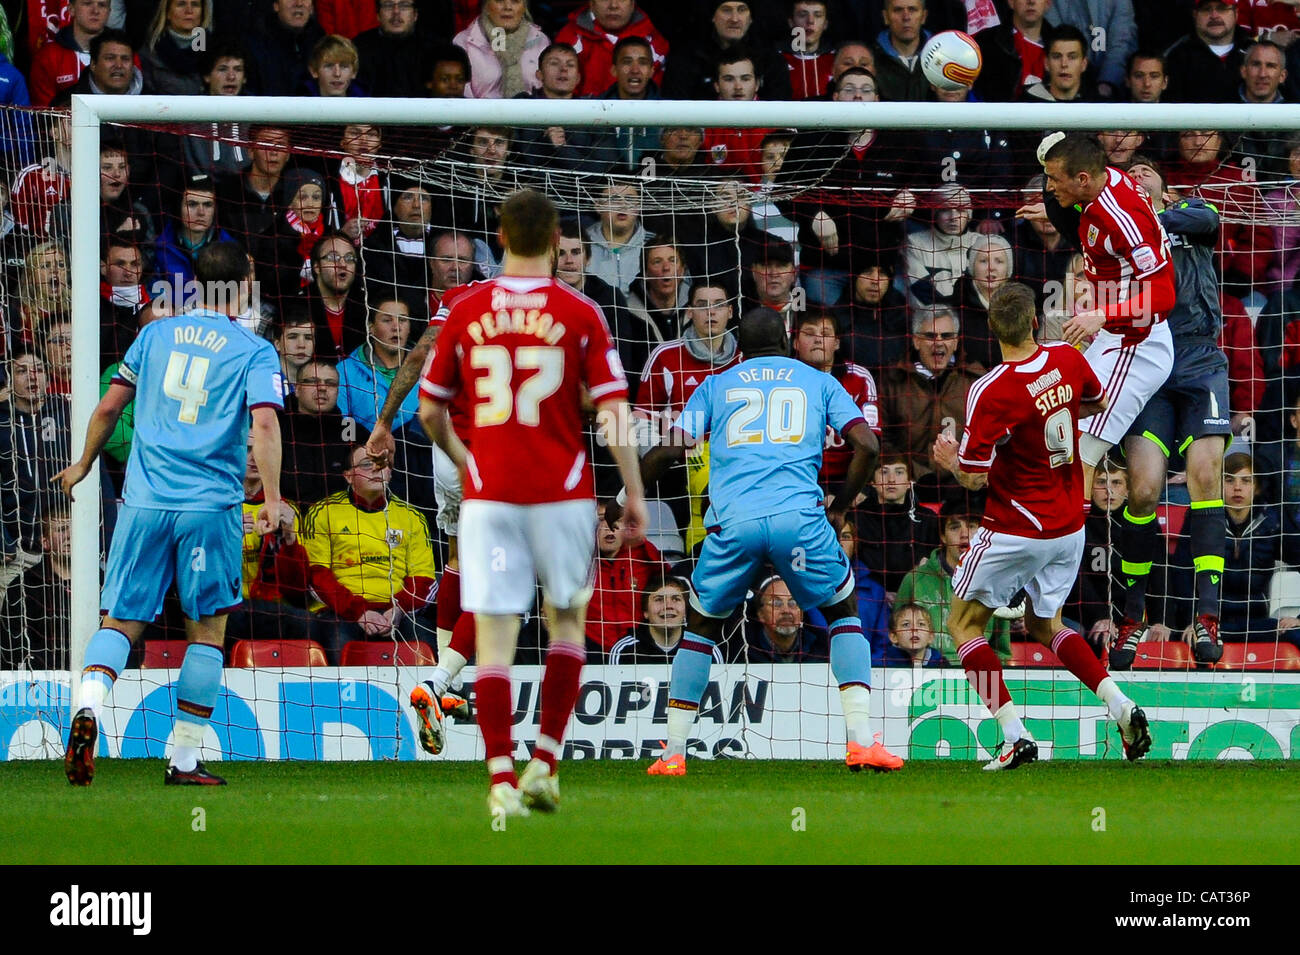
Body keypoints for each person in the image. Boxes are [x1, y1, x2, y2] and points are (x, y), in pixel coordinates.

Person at [417, 189, 648, 818]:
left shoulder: (466, 309)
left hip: (489, 499)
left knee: (495, 640)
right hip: (564, 495)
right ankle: (544, 762)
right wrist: (633, 490)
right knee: (565, 625)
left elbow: (429, 409)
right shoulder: (580, 311)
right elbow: (614, 409)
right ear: (553, 239)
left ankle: (499, 781)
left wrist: (465, 459)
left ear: (499, 234)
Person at [631, 308, 902, 776]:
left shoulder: (715, 384)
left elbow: (673, 449)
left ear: (740, 348)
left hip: (733, 524)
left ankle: (674, 751)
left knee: (702, 626)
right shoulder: (819, 381)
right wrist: (838, 506)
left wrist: (622, 498)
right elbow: (870, 447)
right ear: (788, 339)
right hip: (798, 521)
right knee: (842, 612)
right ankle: (861, 742)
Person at [57, 241, 288, 787]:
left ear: (194, 283)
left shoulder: (154, 334)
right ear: (243, 286)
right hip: (209, 507)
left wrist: (82, 464)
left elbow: (110, 406)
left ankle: (88, 708)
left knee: (121, 621)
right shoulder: (252, 349)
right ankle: (183, 759)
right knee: (207, 631)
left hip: (142, 502)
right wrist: (273, 499)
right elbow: (266, 425)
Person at [931, 281, 1150, 770]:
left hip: (1014, 527)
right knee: (1044, 623)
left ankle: (1014, 735)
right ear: (1034, 321)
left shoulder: (989, 390)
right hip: (1069, 524)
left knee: (962, 625)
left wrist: (948, 461)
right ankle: (1120, 704)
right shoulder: (1067, 359)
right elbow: (1094, 402)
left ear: (991, 328)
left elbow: (971, 476)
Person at [1106, 157, 1231, 668]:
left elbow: (1209, 220)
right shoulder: (1118, 237)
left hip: (1201, 360)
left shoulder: (1189, 213)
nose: (1137, 174)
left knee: (1206, 475)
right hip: (1148, 362)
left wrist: (1150, 213)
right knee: (1142, 490)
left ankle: (1206, 616)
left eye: (1145, 169)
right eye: (1128, 173)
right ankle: (1132, 617)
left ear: (1164, 184)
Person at [1021, 133, 1176, 516]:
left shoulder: (1123, 218)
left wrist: (1103, 312)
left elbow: (1165, 295)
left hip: (1137, 346)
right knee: (1057, 434)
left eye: (1055, 178)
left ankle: (1068, 548)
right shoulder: (1102, 188)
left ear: (1083, 178)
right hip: (1112, 337)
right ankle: (1060, 542)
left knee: (1080, 452)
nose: (1050, 186)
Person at [301, 444, 437, 663]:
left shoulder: (412, 517)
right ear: (347, 476)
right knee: (340, 644)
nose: (375, 469)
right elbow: (317, 576)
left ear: (390, 471)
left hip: (398, 614)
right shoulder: (323, 512)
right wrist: (360, 612)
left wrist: (398, 610)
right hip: (342, 613)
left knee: (425, 642)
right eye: (366, 464)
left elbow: (425, 579)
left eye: (381, 464)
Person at [895, 494, 1010, 664]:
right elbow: (895, 637)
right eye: (955, 528)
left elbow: (1001, 651)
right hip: (926, 674)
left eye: (971, 526)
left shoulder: (994, 582)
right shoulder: (915, 579)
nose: (964, 535)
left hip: (977, 673)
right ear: (942, 536)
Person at [607, 573, 725, 664]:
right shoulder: (624, 651)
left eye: (676, 599)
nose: (668, 605)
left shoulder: (707, 650)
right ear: (645, 612)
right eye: (659, 599)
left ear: (685, 611)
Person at [1163, 0, 1253, 103]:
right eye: (1206, 9)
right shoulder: (1176, 56)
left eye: (1221, 8)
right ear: (1195, 14)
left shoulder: (1254, 52)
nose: (1214, 16)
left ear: (1236, 14)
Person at [882, 602, 945, 667]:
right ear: (894, 637)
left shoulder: (941, 663)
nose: (914, 629)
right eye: (906, 624)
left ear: (930, 636)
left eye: (921, 624)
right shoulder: (882, 662)